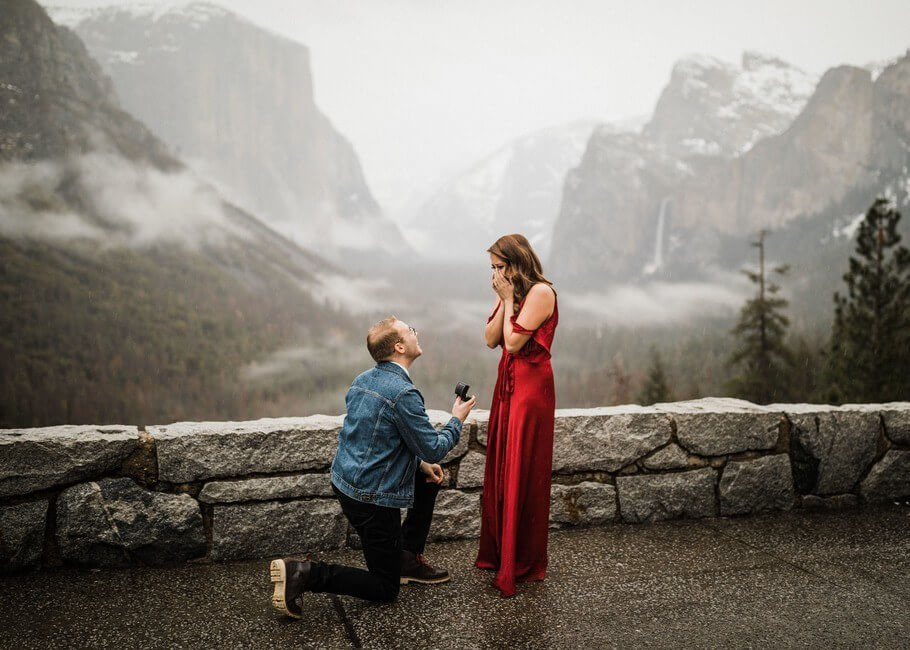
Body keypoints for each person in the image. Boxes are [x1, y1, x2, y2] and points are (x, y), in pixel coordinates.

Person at [269, 316, 476, 618]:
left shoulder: (363, 380)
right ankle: (305, 573)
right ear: (399, 346)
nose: (416, 332)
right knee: (384, 588)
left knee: (427, 479)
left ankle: (404, 559)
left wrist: (419, 463)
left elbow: (378, 437)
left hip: (347, 482)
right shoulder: (403, 393)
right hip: (371, 498)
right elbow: (434, 447)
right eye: (410, 330)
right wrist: (457, 418)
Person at [475, 233, 558, 597]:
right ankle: (500, 553)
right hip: (507, 386)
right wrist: (502, 299)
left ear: (516, 262)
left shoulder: (540, 293)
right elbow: (491, 338)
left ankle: (521, 562)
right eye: (492, 268)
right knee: (503, 466)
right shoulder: (513, 295)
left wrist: (509, 300)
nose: (495, 274)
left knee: (522, 467)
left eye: (499, 267)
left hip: (530, 388)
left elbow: (513, 342)